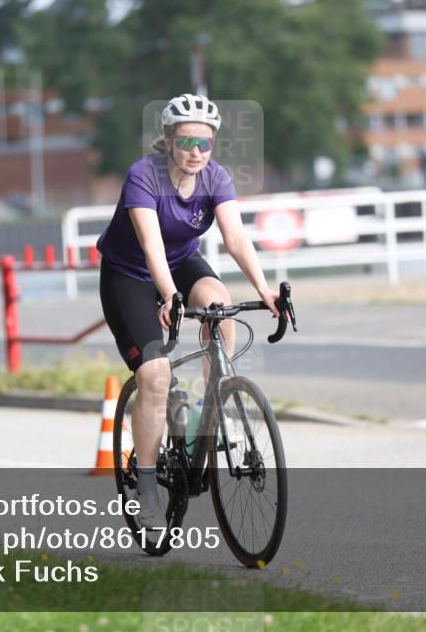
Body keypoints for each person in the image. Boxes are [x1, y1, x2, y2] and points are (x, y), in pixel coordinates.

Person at [96, 94, 279, 530]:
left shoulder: (215, 177)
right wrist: (168, 295)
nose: (196, 152)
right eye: (185, 142)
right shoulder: (144, 175)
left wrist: (264, 289)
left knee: (220, 305)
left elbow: (236, 239)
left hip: (181, 263)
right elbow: (151, 246)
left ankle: (209, 407)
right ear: (167, 140)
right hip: (130, 275)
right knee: (155, 376)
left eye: (204, 143)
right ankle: (145, 488)